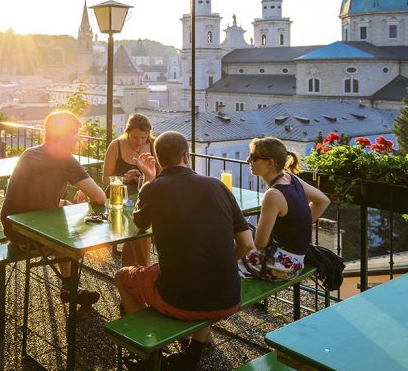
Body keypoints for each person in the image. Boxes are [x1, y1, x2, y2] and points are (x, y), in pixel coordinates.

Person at [115, 131, 254, 370]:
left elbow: (139, 225)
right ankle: (193, 352)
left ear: (158, 160)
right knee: (199, 268)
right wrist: (228, 260)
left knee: (122, 277)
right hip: (230, 296)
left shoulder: (155, 188)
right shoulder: (217, 185)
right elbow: (247, 243)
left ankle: (149, 350)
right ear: (186, 156)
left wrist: (150, 180)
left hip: (179, 300)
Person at [1, 111, 107, 307]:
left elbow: (31, 197)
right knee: (71, 231)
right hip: (31, 238)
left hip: (11, 229)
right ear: (61, 135)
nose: (78, 137)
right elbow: (100, 197)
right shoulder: (64, 158)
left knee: (65, 209)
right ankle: (70, 285)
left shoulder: (30, 153)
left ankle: (68, 285)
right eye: (74, 133)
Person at [237, 137, 330, 282]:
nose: (248, 160)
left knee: (228, 245)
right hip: (297, 260)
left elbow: (260, 243)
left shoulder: (273, 195)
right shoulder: (290, 178)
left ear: (270, 163)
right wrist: (298, 225)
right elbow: (323, 201)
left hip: (281, 266)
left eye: (254, 157)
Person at [102, 113, 155, 266]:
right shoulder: (116, 146)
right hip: (119, 198)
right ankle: (143, 270)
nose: (140, 142)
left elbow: (159, 176)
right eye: (135, 137)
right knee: (138, 228)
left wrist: (144, 176)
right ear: (127, 133)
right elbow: (105, 178)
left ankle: (131, 274)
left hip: (145, 195)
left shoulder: (153, 145)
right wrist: (123, 179)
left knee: (137, 228)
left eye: (143, 137)